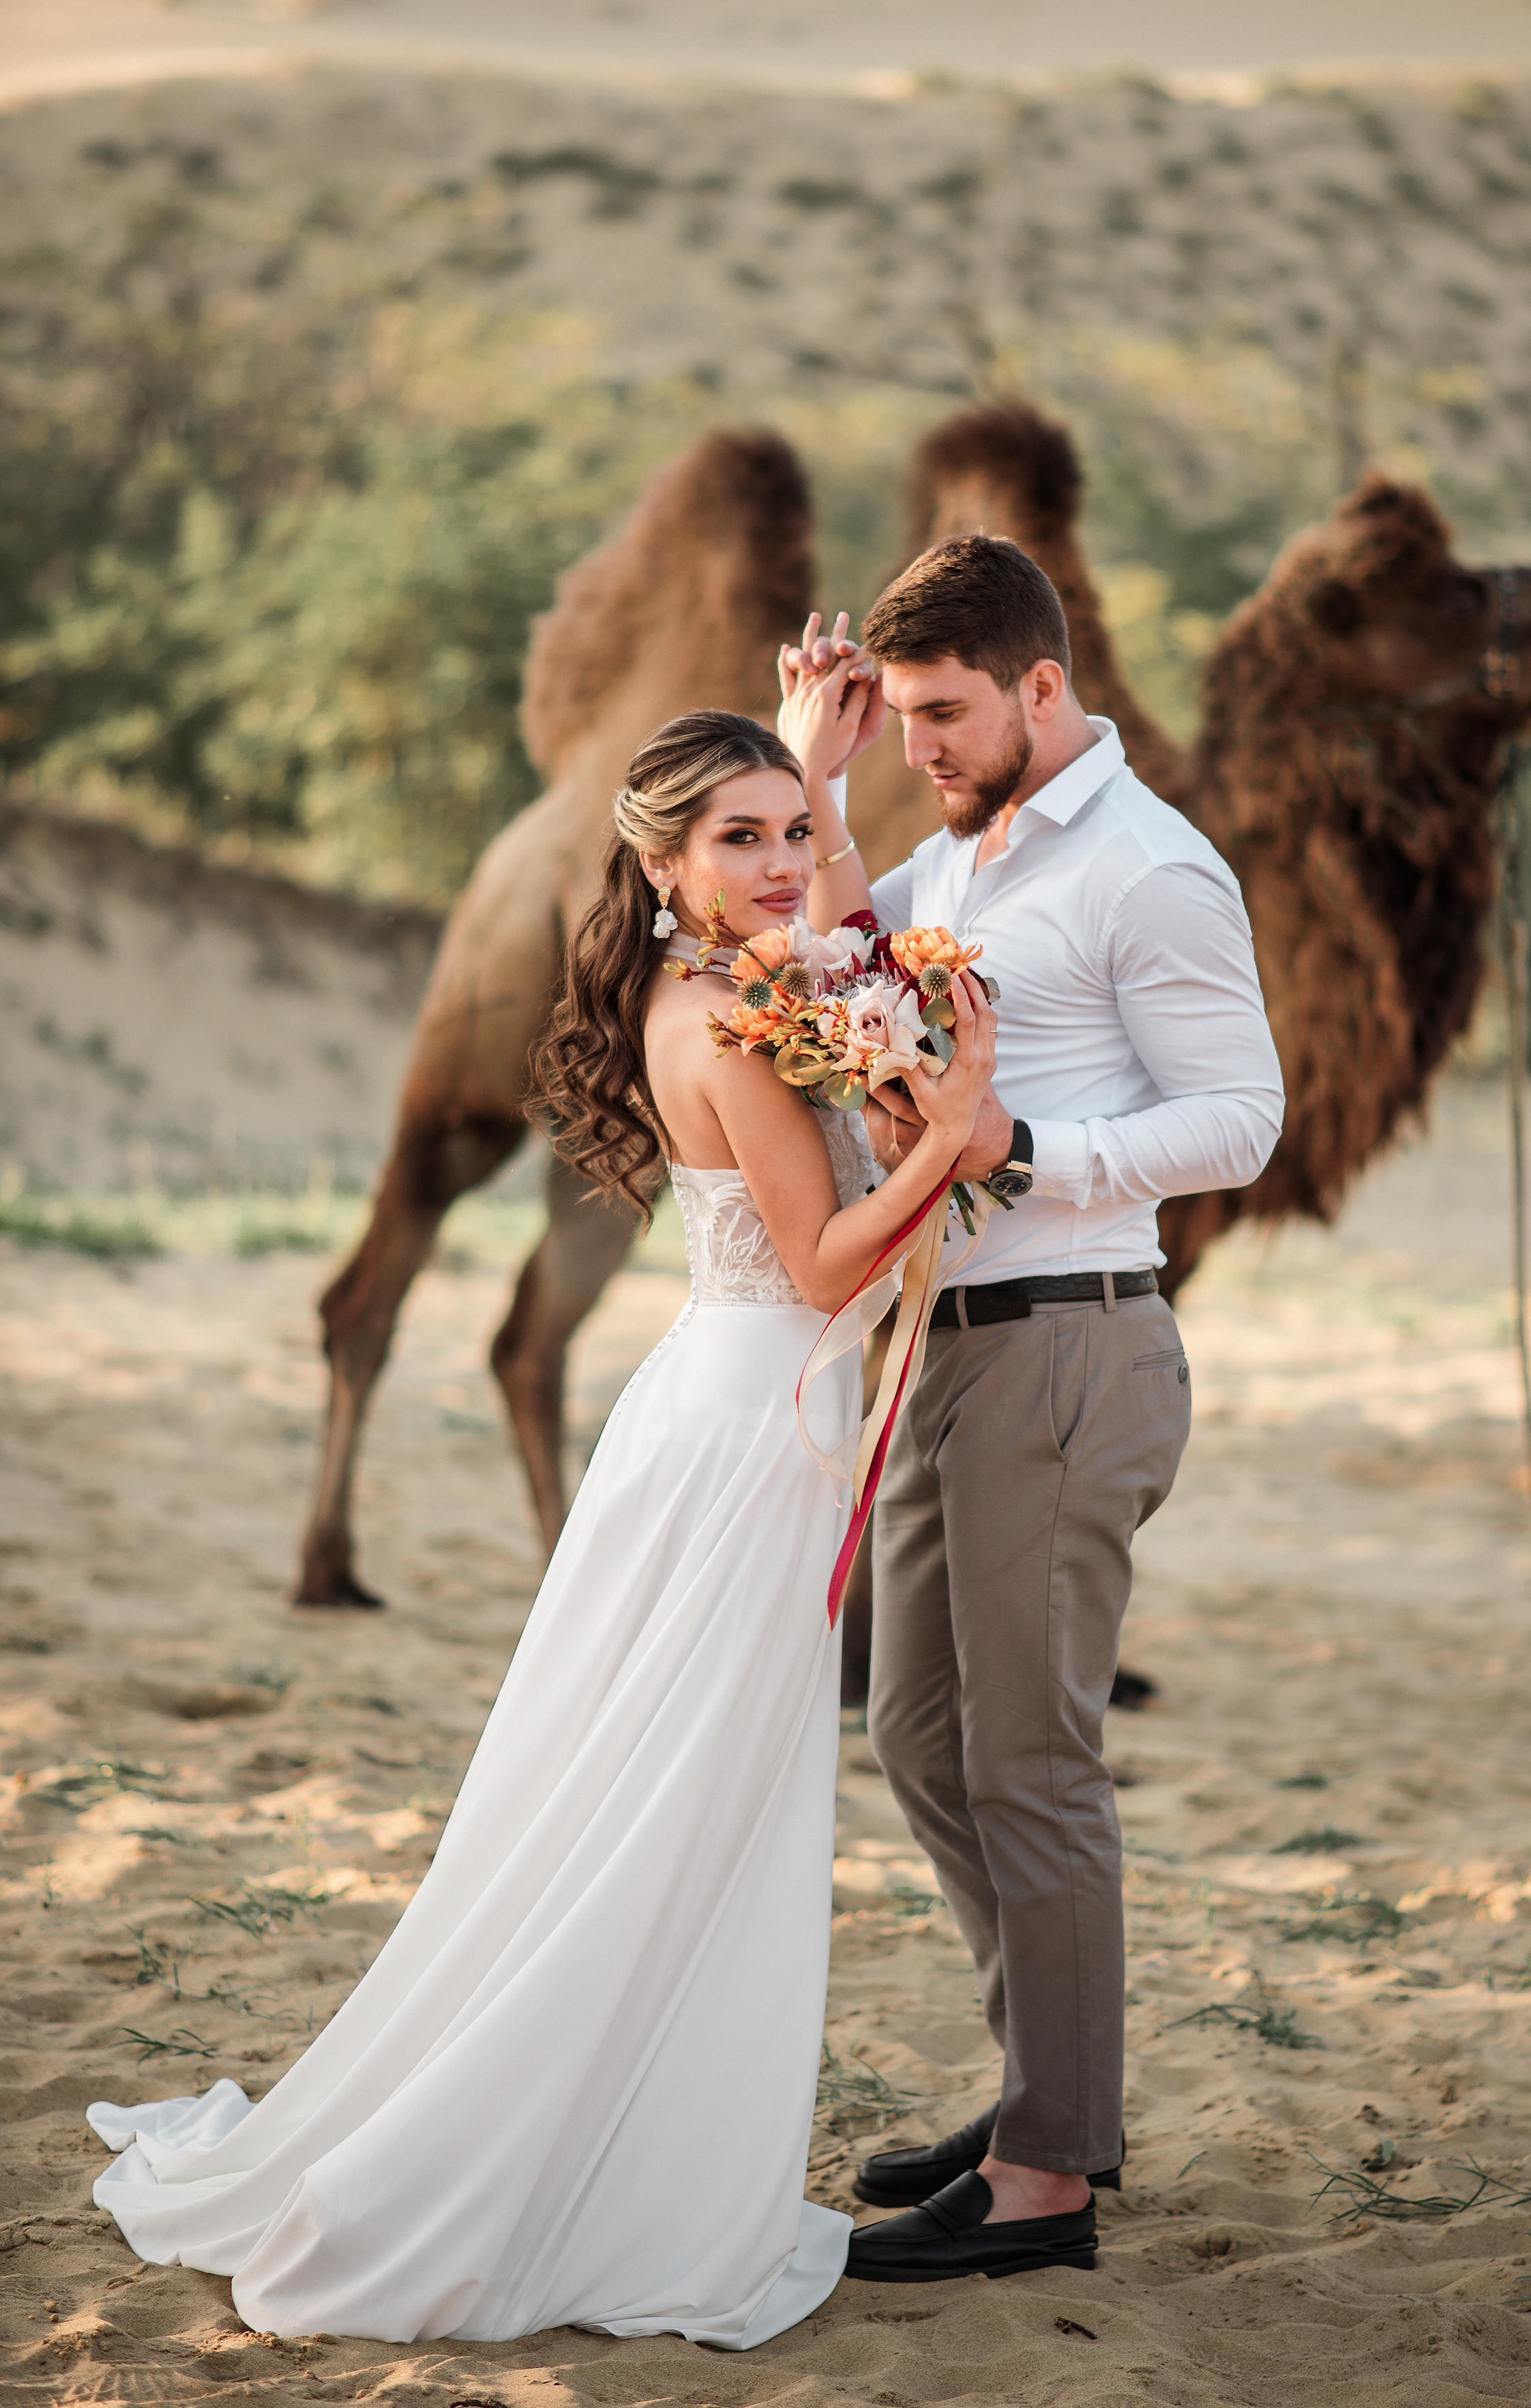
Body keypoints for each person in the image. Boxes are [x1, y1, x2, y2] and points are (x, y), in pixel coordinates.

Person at [85, 708, 997, 2349]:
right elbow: (822, 1267)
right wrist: (952, 1136)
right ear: (659, 865)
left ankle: (633, 2144)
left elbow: (822, 1074)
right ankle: (563, 2174)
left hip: (733, 1422)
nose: (788, 864)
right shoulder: (723, 1020)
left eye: (798, 831)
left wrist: (816, 791)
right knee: (662, 1816)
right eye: (744, 838)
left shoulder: (738, 985)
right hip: (741, 1437)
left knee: (660, 1806)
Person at [779, 539, 1285, 2283]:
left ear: (1042, 689)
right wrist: (819, 771)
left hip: (1072, 1343)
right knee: (922, 1739)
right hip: (947, 1349)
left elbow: (1243, 1116)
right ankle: (1039, 2099)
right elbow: (853, 973)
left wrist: (1025, 1153)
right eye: (900, 713)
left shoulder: (1147, 868)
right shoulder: (964, 853)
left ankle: (1049, 2177)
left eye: (940, 711)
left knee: (1028, 1761)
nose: (919, 738)